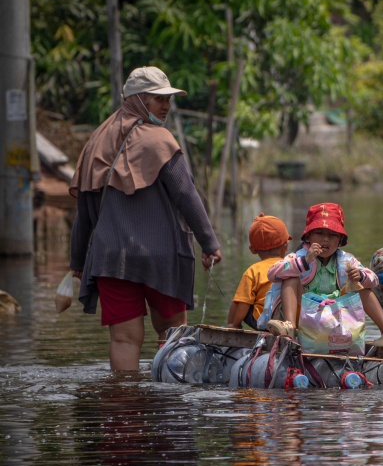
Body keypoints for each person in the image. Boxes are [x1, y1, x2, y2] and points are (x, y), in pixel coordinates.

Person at [69, 66, 221, 371]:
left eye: (167, 99)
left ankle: (126, 407)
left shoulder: (96, 140)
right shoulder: (159, 140)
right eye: (157, 99)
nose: (165, 106)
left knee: (124, 339)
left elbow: (84, 208)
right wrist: (210, 244)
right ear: (138, 99)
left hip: (112, 259)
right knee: (173, 334)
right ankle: (169, 404)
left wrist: (77, 261)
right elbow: (186, 194)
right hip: (161, 257)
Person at [265, 203, 383, 348]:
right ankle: (289, 328)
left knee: (362, 287)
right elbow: (272, 273)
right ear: (308, 236)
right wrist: (304, 261)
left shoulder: (346, 260)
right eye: (319, 233)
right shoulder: (299, 256)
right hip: (303, 318)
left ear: (340, 240)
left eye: (332, 235)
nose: (325, 239)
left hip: (335, 319)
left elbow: (374, 280)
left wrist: (360, 276)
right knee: (290, 276)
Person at [227, 214, 291, 329]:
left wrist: (235, 324)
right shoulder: (291, 267)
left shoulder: (253, 270)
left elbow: (243, 304)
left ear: (252, 250)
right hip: (287, 321)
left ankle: (231, 325)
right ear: (286, 245)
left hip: (263, 323)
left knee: (241, 300)